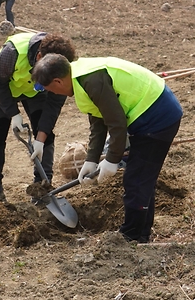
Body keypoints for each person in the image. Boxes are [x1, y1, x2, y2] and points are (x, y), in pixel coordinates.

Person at [31, 53, 183, 243]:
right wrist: (91, 159)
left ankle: (132, 237)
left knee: (136, 181)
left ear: (58, 81)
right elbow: (98, 121)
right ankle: (141, 233)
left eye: (49, 89)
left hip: (157, 117)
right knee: (141, 178)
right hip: (149, 115)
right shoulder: (81, 78)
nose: (52, 93)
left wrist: (111, 159)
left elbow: (116, 122)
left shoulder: (92, 80)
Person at [0, 32, 77, 203]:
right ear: (39, 57)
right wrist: (13, 114)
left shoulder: (62, 69)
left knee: (46, 132)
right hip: (3, 89)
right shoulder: (10, 53)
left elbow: (53, 105)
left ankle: (43, 186)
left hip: (35, 93)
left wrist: (40, 139)